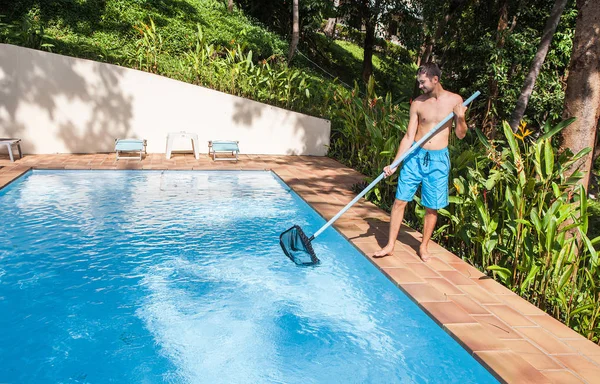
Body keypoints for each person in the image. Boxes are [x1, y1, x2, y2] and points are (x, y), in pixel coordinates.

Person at [373, 62, 468, 261]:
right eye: (419, 82)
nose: (420, 86)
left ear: (435, 79)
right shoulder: (417, 103)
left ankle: (423, 247)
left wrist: (460, 118)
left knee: (431, 206)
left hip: (438, 159)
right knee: (400, 200)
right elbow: (408, 136)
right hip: (415, 156)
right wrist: (395, 163)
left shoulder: (455, 100)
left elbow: (460, 135)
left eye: (423, 82)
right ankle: (390, 245)